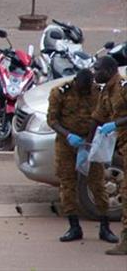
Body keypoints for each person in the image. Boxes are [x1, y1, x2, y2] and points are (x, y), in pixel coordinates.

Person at [47, 69, 117, 243]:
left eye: (88, 88)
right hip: (66, 144)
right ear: (76, 82)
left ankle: (105, 227)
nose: (85, 91)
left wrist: (91, 140)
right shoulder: (60, 92)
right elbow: (52, 120)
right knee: (67, 184)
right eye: (82, 88)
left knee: (97, 184)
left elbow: (105, 115)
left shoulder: (98, 92)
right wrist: (68, 135)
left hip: (91, 143)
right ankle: (74, 227)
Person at [91, 55, 127, 255]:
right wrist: (87, 145)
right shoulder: (106, 91)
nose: (95, 73)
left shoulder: (123, 87)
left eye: (97, 69)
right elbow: (97, 117)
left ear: (109, 70)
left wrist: (116, 123)